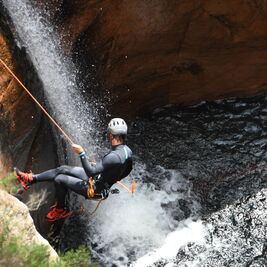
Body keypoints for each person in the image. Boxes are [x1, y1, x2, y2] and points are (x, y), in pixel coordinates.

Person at [15, 118, 133, 222]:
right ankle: (31, 179)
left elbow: (90, 172)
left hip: (95, 189)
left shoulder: (112, 157)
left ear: (111, 135)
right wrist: (111, 177)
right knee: (63, 169)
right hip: (99, 181)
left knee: (59, 179)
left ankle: (61, 210)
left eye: (109, 134)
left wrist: (81, 153)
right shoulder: (127, 151)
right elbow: (128, 170)